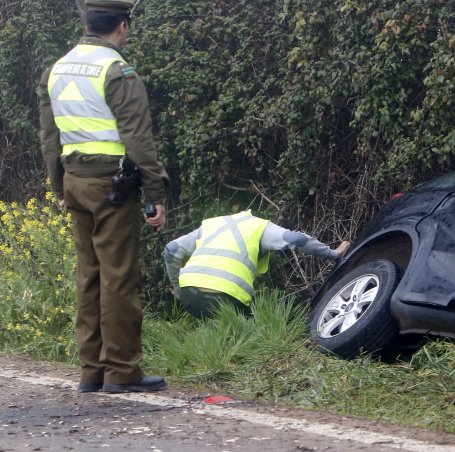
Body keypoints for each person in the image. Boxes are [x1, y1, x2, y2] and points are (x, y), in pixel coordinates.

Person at [37, 0, 169, 393]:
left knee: (89, 277)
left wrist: (58, 186)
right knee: (119, 278)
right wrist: (155, 192)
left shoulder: (56, 69)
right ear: (122, 27)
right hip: (112, 185)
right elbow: (138, 139)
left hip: (74, 181)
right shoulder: (117, 71)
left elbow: (49, 138)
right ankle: (122, 371)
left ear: (88, 23)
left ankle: (91, 371)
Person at [163, 210, 351, 319]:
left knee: (214, 319)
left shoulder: (212, 223)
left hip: (189, 297)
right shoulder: (261, 226)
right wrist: (333, 253)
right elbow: (297, 239)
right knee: (253, 326)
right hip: (227, 301)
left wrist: (177, 288)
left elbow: (171, 250)